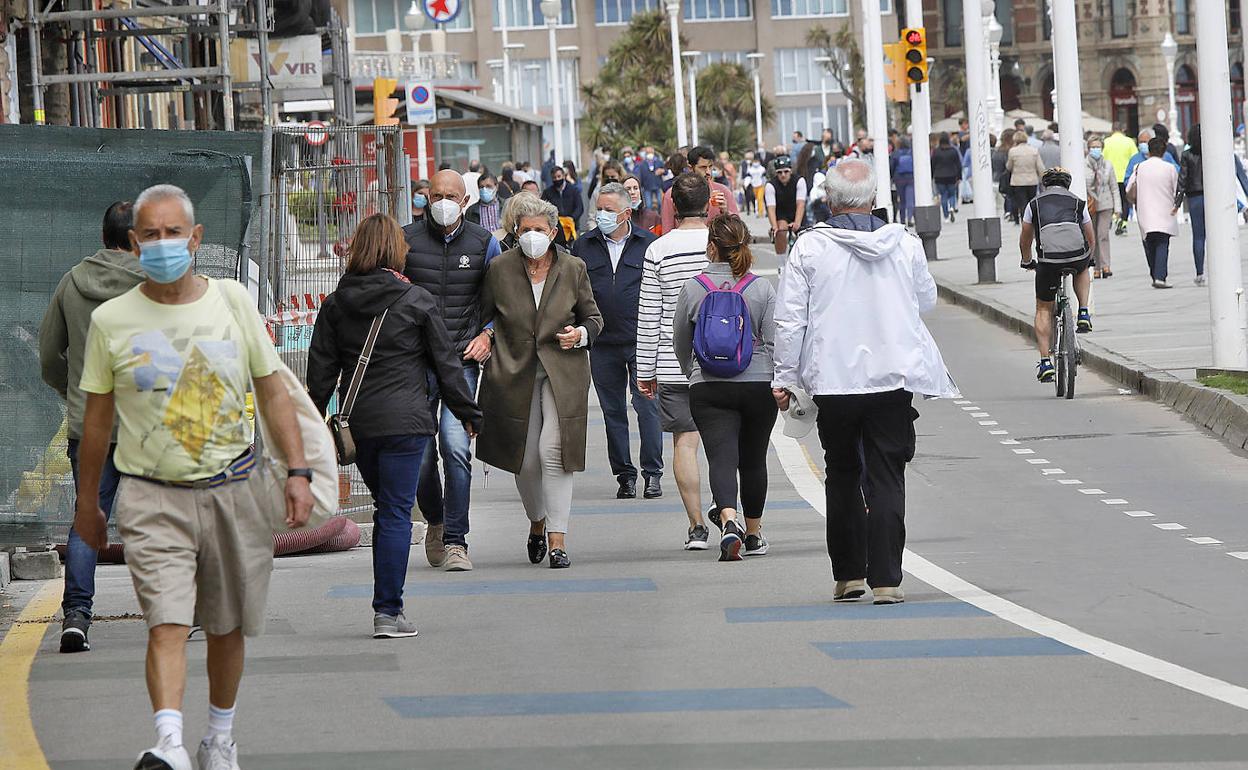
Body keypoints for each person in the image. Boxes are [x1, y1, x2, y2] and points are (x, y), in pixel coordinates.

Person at [74, 184, 314, 769]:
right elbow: (97, 424)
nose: (162, 244)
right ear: (133, 245)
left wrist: (298, 471)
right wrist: (87, 505)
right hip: (151, 495)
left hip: (232, 487)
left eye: (172, 233)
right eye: (150, 235)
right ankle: (170, 743)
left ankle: (220, 737)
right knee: (168, 618)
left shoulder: (232, 303)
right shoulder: (111, 321)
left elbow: (272, 389)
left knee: (226, 626)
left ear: (196, 238)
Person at [772, 159, 956, 605]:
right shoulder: (904, 244)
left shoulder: (810, 248)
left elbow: (790, 320)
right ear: (874, 200)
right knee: (887, 474)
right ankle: (888, 579)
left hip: (834, 381)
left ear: (829, 202)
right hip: (891, 377)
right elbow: (926, 299)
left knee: (842, 472)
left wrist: (785, 376)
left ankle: (849, 575)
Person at [308, 214, 482, 639]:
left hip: (360, 426)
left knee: (387, 508)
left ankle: (388, 608)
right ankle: (388, 611)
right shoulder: (417, 301)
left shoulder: (335, 305)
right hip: (407, 421)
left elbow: (320, 377)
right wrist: (469, 414)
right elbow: (447, 367)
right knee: (396, 513)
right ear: (395, 251)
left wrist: (310, 426)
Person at [39, 201, 144, 654]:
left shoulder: (71, 283)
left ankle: (77, 616)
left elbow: (47, 357)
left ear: (103, 238)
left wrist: (76, 395)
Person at [478, 193, 603, 569]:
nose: (533, 235)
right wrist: (485, 336)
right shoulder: (500, 268)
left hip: (562, 370)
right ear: (516, 232)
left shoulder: (573, 267)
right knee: (526, 459)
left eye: (540, 229)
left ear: (553, 232)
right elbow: (486, 315)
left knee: (554, 452)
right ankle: (537, 521)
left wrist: (579, 334)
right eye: (525, 229)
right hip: (514, 370)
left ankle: (558, 539)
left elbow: (594, 318)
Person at [403, 169, 502, 572]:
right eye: (436, 194)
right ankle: (436, 520)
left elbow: (501, 300)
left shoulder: (484, 244)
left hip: (461, 362)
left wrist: (489, 335)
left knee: (456, 448)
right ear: (427, 197)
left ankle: (457, 540)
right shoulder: (405, 241)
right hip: (415, 362)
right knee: (423, 455)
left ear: (465, 201)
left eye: (451, 195)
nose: (442, 202)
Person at [672, 214, 777, 561]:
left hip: (710, 386)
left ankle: (728, 519)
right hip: (757, 384)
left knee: (720, 456)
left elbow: (680, 341)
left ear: (711, 247)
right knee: (753, 459)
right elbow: (774, 341)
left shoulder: (694, 287)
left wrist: (694, 373)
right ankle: (754, 533)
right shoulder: (760, 288)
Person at [572, 182, 663, 500]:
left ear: (626, 213)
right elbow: (575, 292)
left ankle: (653, 473)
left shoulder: (649, 243)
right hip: (601, 341)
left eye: (609, 210)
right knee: (613, 411)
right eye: (599, 209)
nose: (602, 215)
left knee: (647, 406)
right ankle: (624, 475)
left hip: (642, 340)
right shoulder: (584, 246)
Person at [636, 173, 713, 550]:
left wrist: (645, 368)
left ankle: (696, 526)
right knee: (725, 441)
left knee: (685, 443)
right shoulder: (723, 243)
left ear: (673, 207)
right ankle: (728, 511)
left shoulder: (658, 249)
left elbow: (650, 315)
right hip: (725, 361)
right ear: (709, 201)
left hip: (673, 362)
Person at [1019, 167, 1096, 383]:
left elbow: (1025, 238)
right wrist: (1088, 258)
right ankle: (1083, 312)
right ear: (1067, 184)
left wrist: (1026, 261)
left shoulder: (1033, 204)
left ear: (1045, 184)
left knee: (1043, 308)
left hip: (1048, 261)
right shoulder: (1079, 202)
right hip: (1075, 256)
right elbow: (1090, 237)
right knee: (1083, 265)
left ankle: (1045, 362)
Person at [1127, 137, 1180, 289]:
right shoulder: (1169, 168)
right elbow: (1176, 189)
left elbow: (1129, 187)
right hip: (1165, 209)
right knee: (1163, 242)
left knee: (1149, 242)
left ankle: (1155, 273)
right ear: (1164, 151)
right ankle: (1160, 276)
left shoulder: (1139, 167)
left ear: (1149, 150)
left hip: (1145, 209)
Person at [660, 146, 738, 232]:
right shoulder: (672, 194)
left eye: (711, 166)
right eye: (703, 167)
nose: (708, 172)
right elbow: (667, 231)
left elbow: (738, 229)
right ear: (690, 168)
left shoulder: (723, 192)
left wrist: (726, 212)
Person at [1085, 135, 1121, 278]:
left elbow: (1114, 187)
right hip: (1090, 204)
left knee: (1103, 234)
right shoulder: (1083, 165)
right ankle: (1095, 265)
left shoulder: (1108, 165)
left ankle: (1106, 265)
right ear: (1088, 149)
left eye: (1098, 147)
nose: (1095, 149)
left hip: (1106, 203)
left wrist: (1118, 208)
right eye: (1093, 147)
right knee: (1091, 236)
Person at [765, 156, 807, 259]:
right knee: (780, 230)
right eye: (779, 172)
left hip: (796, 211)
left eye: (786, 171)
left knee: (802, 234)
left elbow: (801, 204)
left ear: (791, 171)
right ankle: (781, 262)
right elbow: (771, 208)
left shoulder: (799, 181)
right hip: (781, 213)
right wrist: (774, 226)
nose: (783, 175)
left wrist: (797, 223)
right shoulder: (770, 185)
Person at [1101, 124, 1137, 233]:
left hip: (1110, 176)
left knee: (1112, 199)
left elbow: (1101, 159)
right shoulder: (1129, 142)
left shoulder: (1106, 142)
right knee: (1125, 201)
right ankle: (1124, 222)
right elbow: (1135, 158)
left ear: (1112, 130)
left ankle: (1115, 218)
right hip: (1125, 175)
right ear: (1123, 130)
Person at [1006, 130, 1045, 225]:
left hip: (1018, 181)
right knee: (1031, 201)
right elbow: (1040, 167)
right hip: (1032, 180)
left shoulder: (1012, 151)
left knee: (1021, 202)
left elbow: (1009, 167)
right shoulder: (1034, 150)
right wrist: (1043, 178)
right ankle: (1033, 220)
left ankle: (1024, 221)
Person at [542, 164, 585, 238]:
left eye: (559, 176)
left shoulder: (573, 190)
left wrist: (572, 217)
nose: (557, 179)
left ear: (564, 176)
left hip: (573, 226)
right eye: (554, 177)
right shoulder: (547, 192)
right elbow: (544, 208)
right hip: (556, 228)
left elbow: (579, 207)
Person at [931, 133, 963, 223]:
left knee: (943, 195)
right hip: (952, 175)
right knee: (952, 194)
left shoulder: (936, 151)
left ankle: (946, 216)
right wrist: (959, 176)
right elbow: (958, 165)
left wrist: (932, 175)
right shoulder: (953, 150)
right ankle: (952, 207)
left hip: (939, 176)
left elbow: (932, 164)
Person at [890, 138, 915, 227]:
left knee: (902, 200)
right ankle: (910, 218)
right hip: (910, 177)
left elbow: (892, 166)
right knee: (910, 199)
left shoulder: (896, 153)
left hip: (899, 178)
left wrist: (892, 177)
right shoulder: (912, 152)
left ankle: (902, 220)